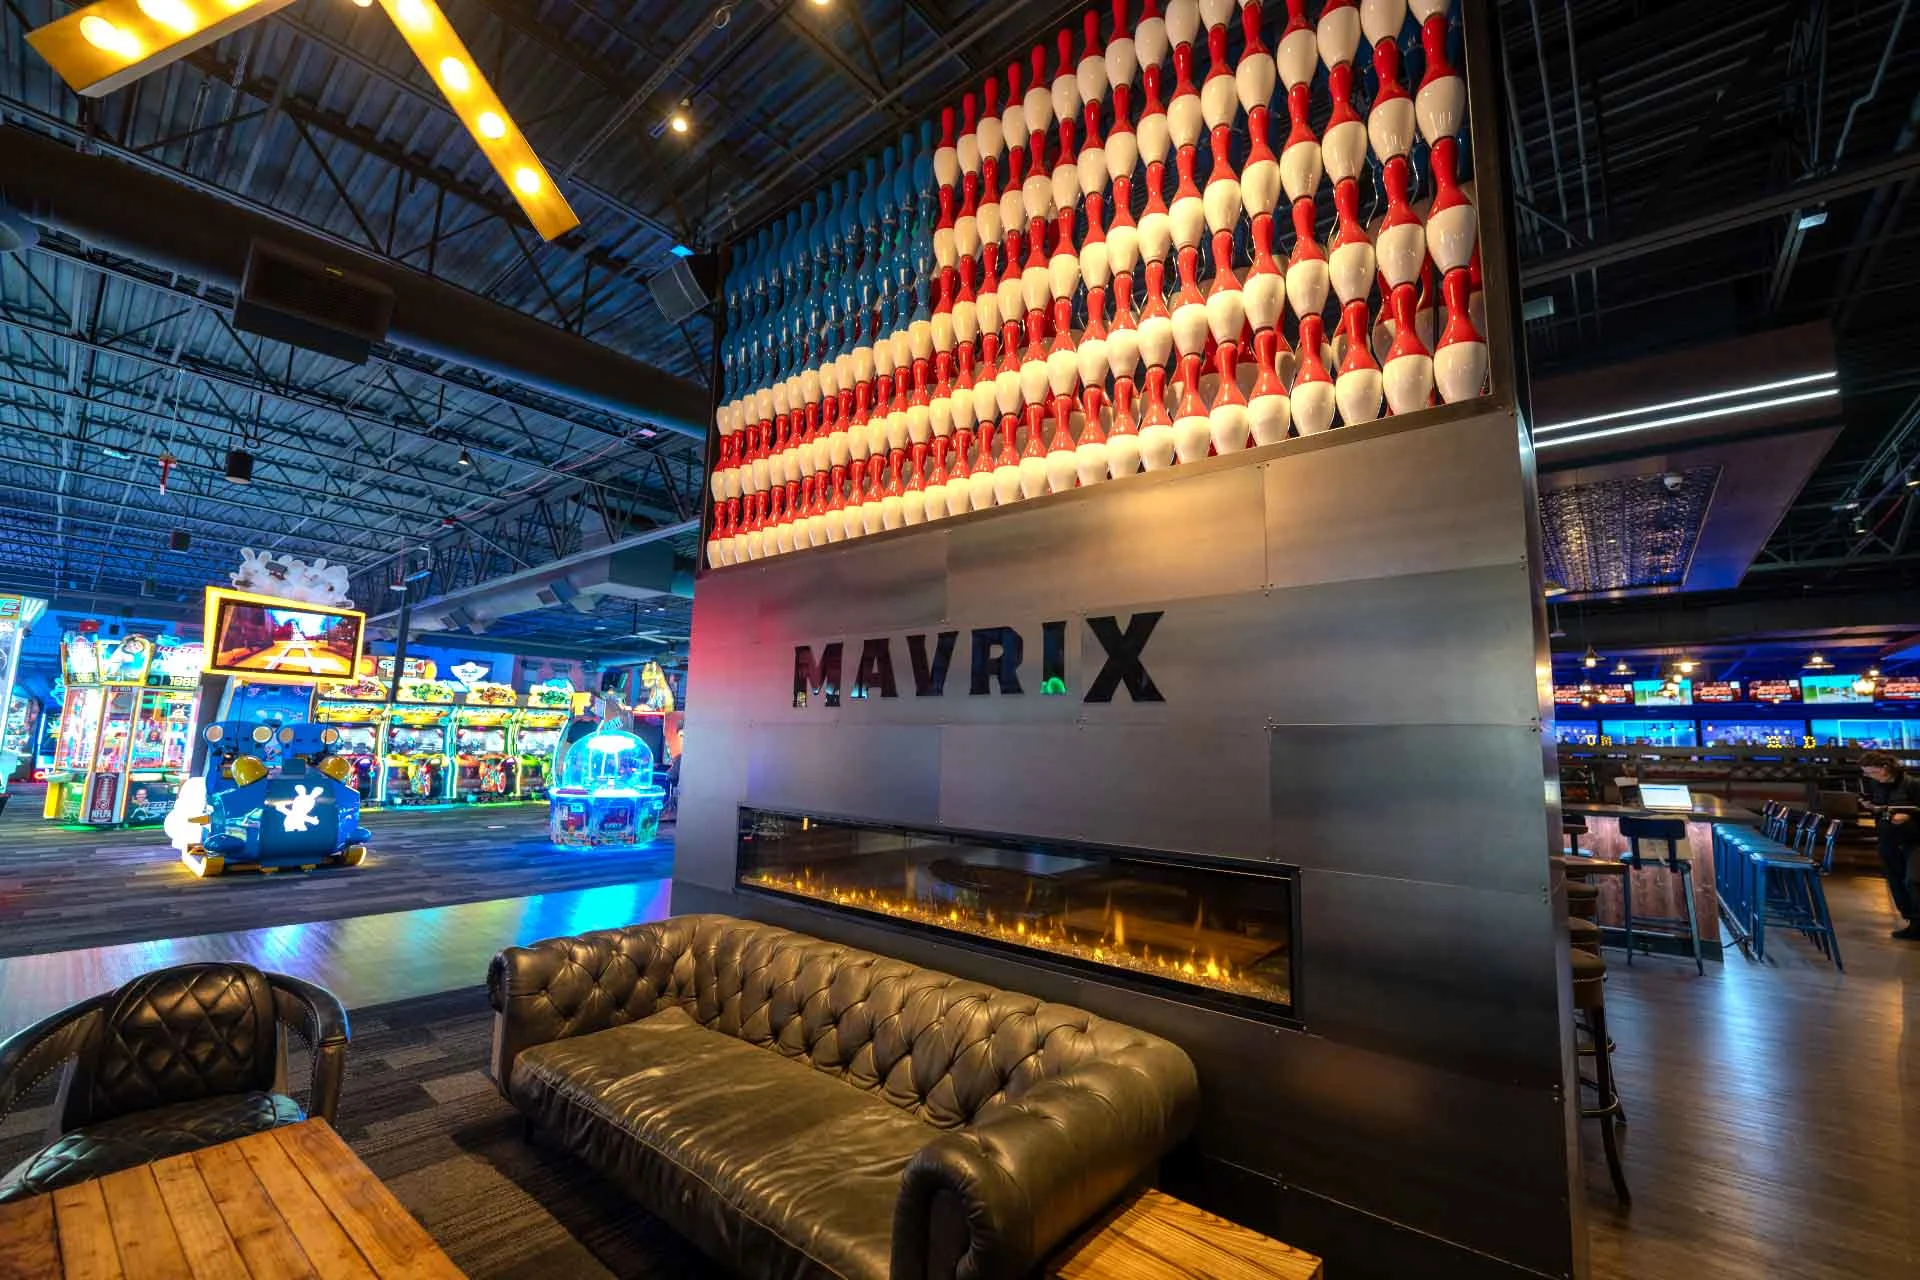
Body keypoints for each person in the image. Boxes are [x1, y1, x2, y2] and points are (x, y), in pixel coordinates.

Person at [1859, 751, 1920, 940]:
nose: (1869, 776)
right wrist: (1872, 808)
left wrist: (1909, 815)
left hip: (1914, 838)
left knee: (1914, 879)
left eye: (1872, 772)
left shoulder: (1912, 784)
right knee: (1896, 880)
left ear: (1885, 768)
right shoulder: (1876, 785)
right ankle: (1912, 922)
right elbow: (1880, 807)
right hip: (1889, 839)